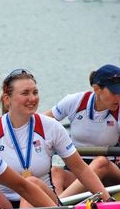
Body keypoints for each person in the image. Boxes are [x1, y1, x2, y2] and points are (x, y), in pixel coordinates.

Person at [0, 68, 112, 209]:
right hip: (6, 206)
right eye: (25, 93)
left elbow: (80, 168)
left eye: (35, 92)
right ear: (7, 99)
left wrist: (108, 201)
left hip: (46, 203)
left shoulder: (51, 127)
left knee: (30, 183)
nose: (32, 98)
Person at [44, 64, 120, 197]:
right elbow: (40, 122)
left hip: (111, 171)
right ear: (97, 89)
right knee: (56, 171)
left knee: (100, 162)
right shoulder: (74, 102)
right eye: (114, 93)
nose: (118, 98)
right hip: (78, 170)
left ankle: (57, 208)